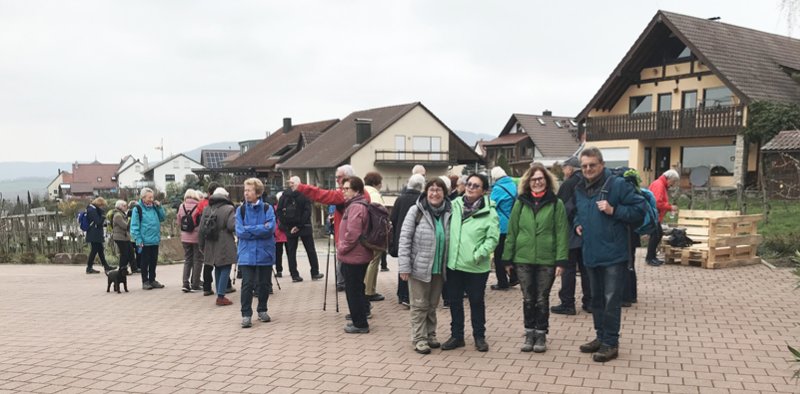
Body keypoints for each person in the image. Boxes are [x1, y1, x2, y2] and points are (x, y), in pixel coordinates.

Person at [574, 147, 646, 362]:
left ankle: (611, 343)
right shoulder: (580, 187)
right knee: (595, 299)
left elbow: (639, 209)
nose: (588, 169)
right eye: (584, 166)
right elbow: (580, 212)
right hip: (591, 252)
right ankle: (600, 336)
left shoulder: (617, 185)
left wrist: (614, 210)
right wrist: (578, 224)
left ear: (602, 165)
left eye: (592, 165)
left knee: (610, 300)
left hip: (614, 254)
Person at [502, 164, 569, 353]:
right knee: (527, 298)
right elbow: (512, 232)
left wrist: (561, 260)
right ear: (528, 182)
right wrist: (507, 258)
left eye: (540, 178)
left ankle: (541, 334)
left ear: (546, 180)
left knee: (541, 298)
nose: (537, 182)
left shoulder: (557, 204)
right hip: (522, 258)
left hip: (546, 259)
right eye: (533, 179)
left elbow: (562, 233)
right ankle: (529, 332)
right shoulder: (520, 203)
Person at [441, 173, 499, 352]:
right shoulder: (454, 205)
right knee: (455, 301)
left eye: (476, 186)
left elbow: (493, 238)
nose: (470, 188)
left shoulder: (490, 211)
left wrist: (479, 254)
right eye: (469, 184)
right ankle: (457, 336)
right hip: (454, 265)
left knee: (476, 301)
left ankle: (479, 336)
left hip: (476, 266)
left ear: (483, 191)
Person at [293, 165, 370, 291]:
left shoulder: (349, 196)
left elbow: (324, 195)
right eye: (337, 177)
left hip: (349, 243)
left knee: (353, 282)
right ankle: (359, 304)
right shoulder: (361, 194)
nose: (337, 180)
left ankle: (359, 306)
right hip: (355, 242)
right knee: (356, 281)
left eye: (340, 177)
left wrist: (302, 187)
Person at [398, 177, 451, 354]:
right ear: (426, 193)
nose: (434, 193)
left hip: (438, 268)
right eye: (431, 190)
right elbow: (404, 238)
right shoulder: (416, 211)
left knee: (432, 304)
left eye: (438, 190)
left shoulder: (449, 212)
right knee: (419, 305)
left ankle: (430, 334)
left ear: (445, 193)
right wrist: (404, 266)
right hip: (418, 267)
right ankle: (419, 338)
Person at [551, 156, 592, 315]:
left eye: (564, 168)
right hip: (587, 231)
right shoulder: (589, 180)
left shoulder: (568, 184)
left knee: (568, 269)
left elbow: (560, 209)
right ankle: (590, 302)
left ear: (570, 168)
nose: (563, 171)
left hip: (570, 232)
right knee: (586, 269)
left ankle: (567, 303)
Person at [236, 178, 276, 328]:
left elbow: (270, 229)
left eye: (249, 190)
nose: (246, 193)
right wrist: (260, 228)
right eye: (245, 190)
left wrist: (249, 229)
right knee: (247, 285)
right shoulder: (240, 210)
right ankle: (246, 314)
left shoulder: (267, 208)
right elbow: (240, 231)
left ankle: (262, 310)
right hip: (246, 253)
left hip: (265, 252)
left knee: (264, 284)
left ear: (258, 192)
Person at [337, 176, 373, 334]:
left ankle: (360, 323)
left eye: (347, 189)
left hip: (354, 255)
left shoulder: (356, 207)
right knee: (356, 287)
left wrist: (342, 248)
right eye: (343, 188)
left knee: (353, 290)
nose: (343, 192)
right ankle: (359, 318)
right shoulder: (356, 205)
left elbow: (353, 233)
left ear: (356, 190)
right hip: (358, 254)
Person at [389, 174, 425, 308]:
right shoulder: (422, 200)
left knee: (403, 266)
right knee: (415, 267)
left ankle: (402, 294)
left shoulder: (400, 199)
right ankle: (413, 295)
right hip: (419, 239)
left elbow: (393, 218)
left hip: (401, 238)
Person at [279, 176, 323, 282]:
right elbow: (307, 212)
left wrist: (286, 226)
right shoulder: (304, 195)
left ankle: (294, 275)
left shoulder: (284, 196)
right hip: (304, 227)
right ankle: (315, 272)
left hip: (290, 227)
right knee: (310, 250)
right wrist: (299, 226)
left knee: (291, 252)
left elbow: (279, 212)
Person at [198, 187, 237, 306]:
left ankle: (219, 294)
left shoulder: (207, 208)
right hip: (224, 242)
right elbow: (232, 226)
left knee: (217, 266)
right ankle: (221, 296)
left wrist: (201, 245)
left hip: (210, 242)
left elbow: (201, 229)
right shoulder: (229, 208)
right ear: (225, 196)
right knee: (225, 267)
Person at [489, 166, 519, 290]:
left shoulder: (497, 188)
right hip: (512, 224)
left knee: (498, 255)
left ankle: (502, 282)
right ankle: (513, 277)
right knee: (510, 252)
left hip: (501, 226)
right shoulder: (513, 185)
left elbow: (491, 205)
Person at [130, 188, 166, 290]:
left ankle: (152, 280)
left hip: (155, 239)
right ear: (143, 197)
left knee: (153, 261)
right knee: (144, 262)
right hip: (144, 241)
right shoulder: (137, 209)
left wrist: (159, 207)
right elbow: (134, 226)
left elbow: (163, 218)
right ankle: (145, 281)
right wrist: (138, 239)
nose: (152, 199)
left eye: (152, 197)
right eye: (149, 197)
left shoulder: (155, 207)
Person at [646, 169, 679, 266]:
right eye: (672, 182)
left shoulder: (659, 184)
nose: (672, 184)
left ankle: (652, 257)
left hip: (654, 215)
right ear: (668, 179)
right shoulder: (659, 185)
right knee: (656, 235)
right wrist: (670, 207)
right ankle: (650, 258)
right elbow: (657, 203)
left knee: (657, 234)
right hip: (654, 215)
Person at [363, 172, 386, 301]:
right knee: (374, 260)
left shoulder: (362, 192)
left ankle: (367, 289)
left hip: (363, 233)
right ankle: (369, 290)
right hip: (374, 233)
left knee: (366, 261)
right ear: (376, 183)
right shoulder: (375, 195)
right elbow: (380, 215)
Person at [177, 189, 202, 292]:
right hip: (196, 237)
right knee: (198, 260)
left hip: (185, 237)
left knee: (188, 260)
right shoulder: (199, 206)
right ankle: (195, 284)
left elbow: (179, 221)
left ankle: (185, 283)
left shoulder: (181, 206)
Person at [85, 197, 111, 274]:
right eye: (102, 205)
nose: (103, 207)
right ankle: (89, 267)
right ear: (99, 204)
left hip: (94, 232)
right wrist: (103, 216)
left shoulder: (91, 209)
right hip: (94, 233)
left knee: (100, 250)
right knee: (94, 250)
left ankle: (105, 265)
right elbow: (98, 222)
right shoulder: (92, 210)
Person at [111, 200, 134, 274]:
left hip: (124, 237)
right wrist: (130, 220)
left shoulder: (122, 214)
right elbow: (125, 226)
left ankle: (134, 267)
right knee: (124, 253)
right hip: (120, 237)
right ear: (120, 206)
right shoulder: (118, 215)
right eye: (124, 206)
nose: (126, 207)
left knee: (130, 252)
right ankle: (122, 269)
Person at [273, 191, 287, 278]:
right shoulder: (287, 208)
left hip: (277, 232)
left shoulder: (274, 208)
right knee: (291, 253)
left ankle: (279, 270)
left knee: (278, 253)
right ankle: (293, 270)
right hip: (287, 232)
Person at [127, 201, 141, 274]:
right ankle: (138, 266)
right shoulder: (134, 212)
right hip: (134, 236)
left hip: (129, 236)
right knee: (138, 252)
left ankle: (134, 266)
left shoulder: (127, 213)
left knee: (130, 253)